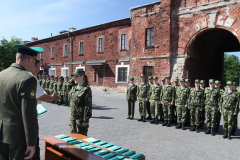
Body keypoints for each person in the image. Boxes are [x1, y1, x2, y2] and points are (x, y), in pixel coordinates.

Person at [0, 44, 42, 160]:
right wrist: (31, 143)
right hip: (18, 138)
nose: (34, 64)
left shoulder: (1, 74)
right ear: (29, 59)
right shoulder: (27, 79)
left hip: (2, 134)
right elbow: (29, 114)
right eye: (34, 61)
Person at [30, 59, 60, 160]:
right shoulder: (31, 78)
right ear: (32, 66)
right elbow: (41, 96)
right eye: (38, 67)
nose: (39, 70)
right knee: (32, 148)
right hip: (29, 119)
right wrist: (53, 98)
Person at [68, 69, 92, 136]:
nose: (74, 77)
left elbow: (88, 105)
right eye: (74, 76)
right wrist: (71, 81)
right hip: (73, 117)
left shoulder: (86, 89)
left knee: (81, 140)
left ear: (82, 76)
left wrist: (85, 120)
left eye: (76, 76)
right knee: (73, 137)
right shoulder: (74, 87)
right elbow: (66, 86)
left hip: (80, 119)